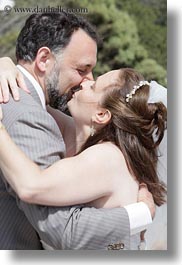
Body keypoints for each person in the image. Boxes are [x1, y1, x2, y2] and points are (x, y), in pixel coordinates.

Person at [0, 12, 156, 250]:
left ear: (102, 115)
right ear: (44, 59)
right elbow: (63, 228)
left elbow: (33, 185)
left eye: (92, 82)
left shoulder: (104, 154)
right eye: (83, 70)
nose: (85, 81)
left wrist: (143, 213)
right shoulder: (30, 113)